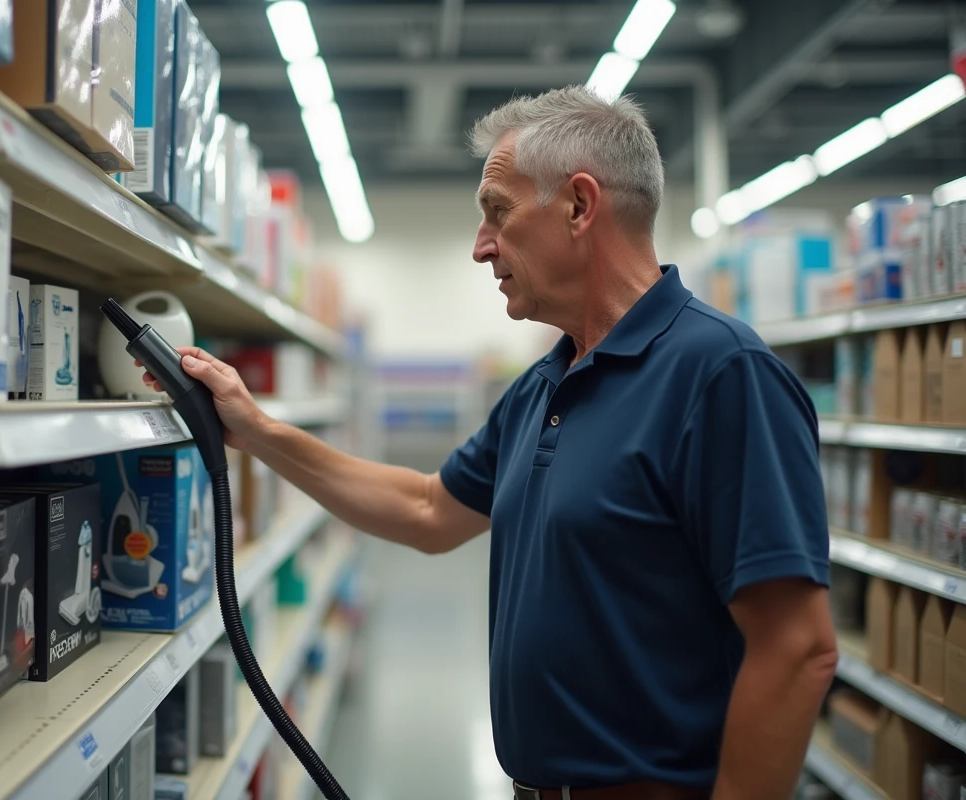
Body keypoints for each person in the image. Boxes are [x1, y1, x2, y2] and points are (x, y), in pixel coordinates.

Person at [139, 87, 836, 800]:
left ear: (578, 205)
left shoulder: (721, 376)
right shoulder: (543, 386)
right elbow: (428, 509)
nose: (481, 247)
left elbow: (796, 647)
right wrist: (256, 430)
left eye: (497, 212)